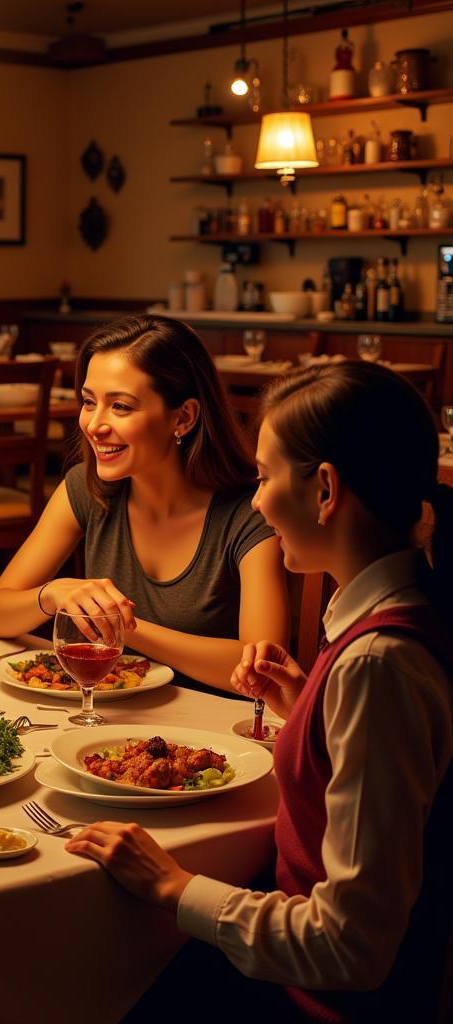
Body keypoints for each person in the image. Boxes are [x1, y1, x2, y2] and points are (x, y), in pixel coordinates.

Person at [65, 361, 452, 1021]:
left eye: (266, 477)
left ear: (325, 489)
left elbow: (349, 948)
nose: (254, 500)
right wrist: (306, 709)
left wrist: (175, 885)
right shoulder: (384, 628)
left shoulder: (378, 667)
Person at [0, 315, 288, 694]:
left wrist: (123, 627)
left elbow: (261, 669)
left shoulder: (249, 510)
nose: (94, 424)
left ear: (184, 417)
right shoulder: (86, 487)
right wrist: (52, 593)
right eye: (89, 402)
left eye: (121, 407)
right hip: (110, 721)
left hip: (212, 734)